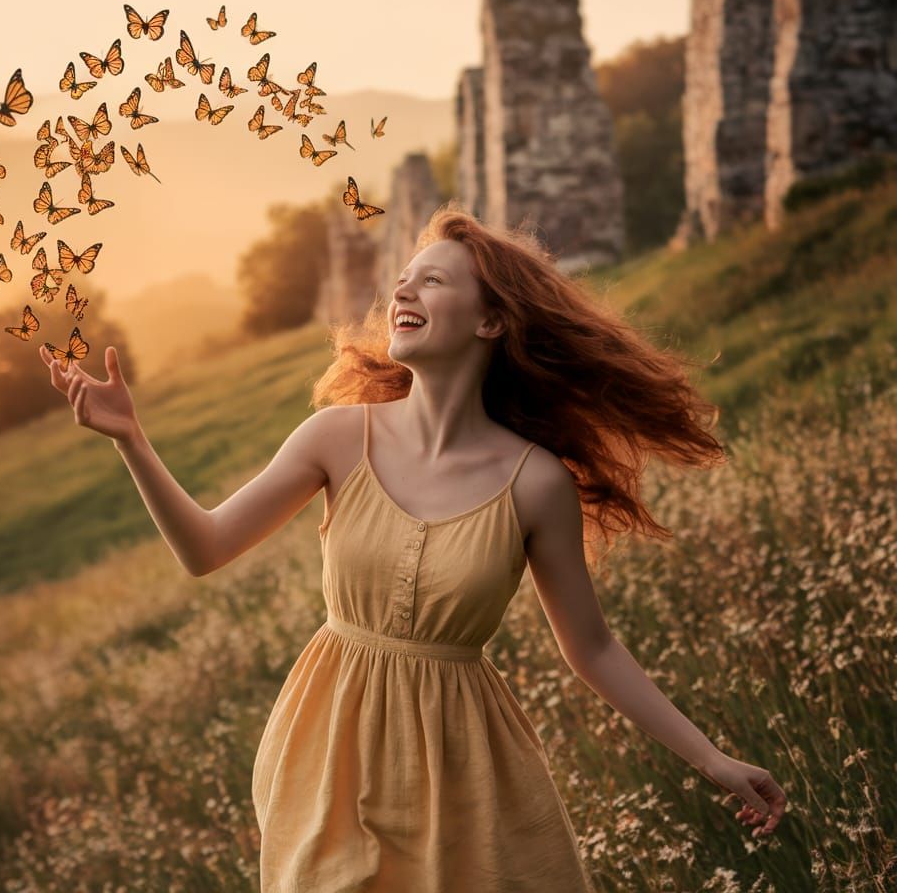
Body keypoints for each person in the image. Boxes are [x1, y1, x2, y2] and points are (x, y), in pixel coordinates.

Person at [40, 204, 786, 890]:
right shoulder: (337, 436)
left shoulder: (535, 485)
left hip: (463, 766)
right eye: (402, 280)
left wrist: (712, 758)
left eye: (432, 281)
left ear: (493, 322)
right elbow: (203, 549)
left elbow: (592, 650)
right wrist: (132, 441)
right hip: (328, 750)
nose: (404, 292)